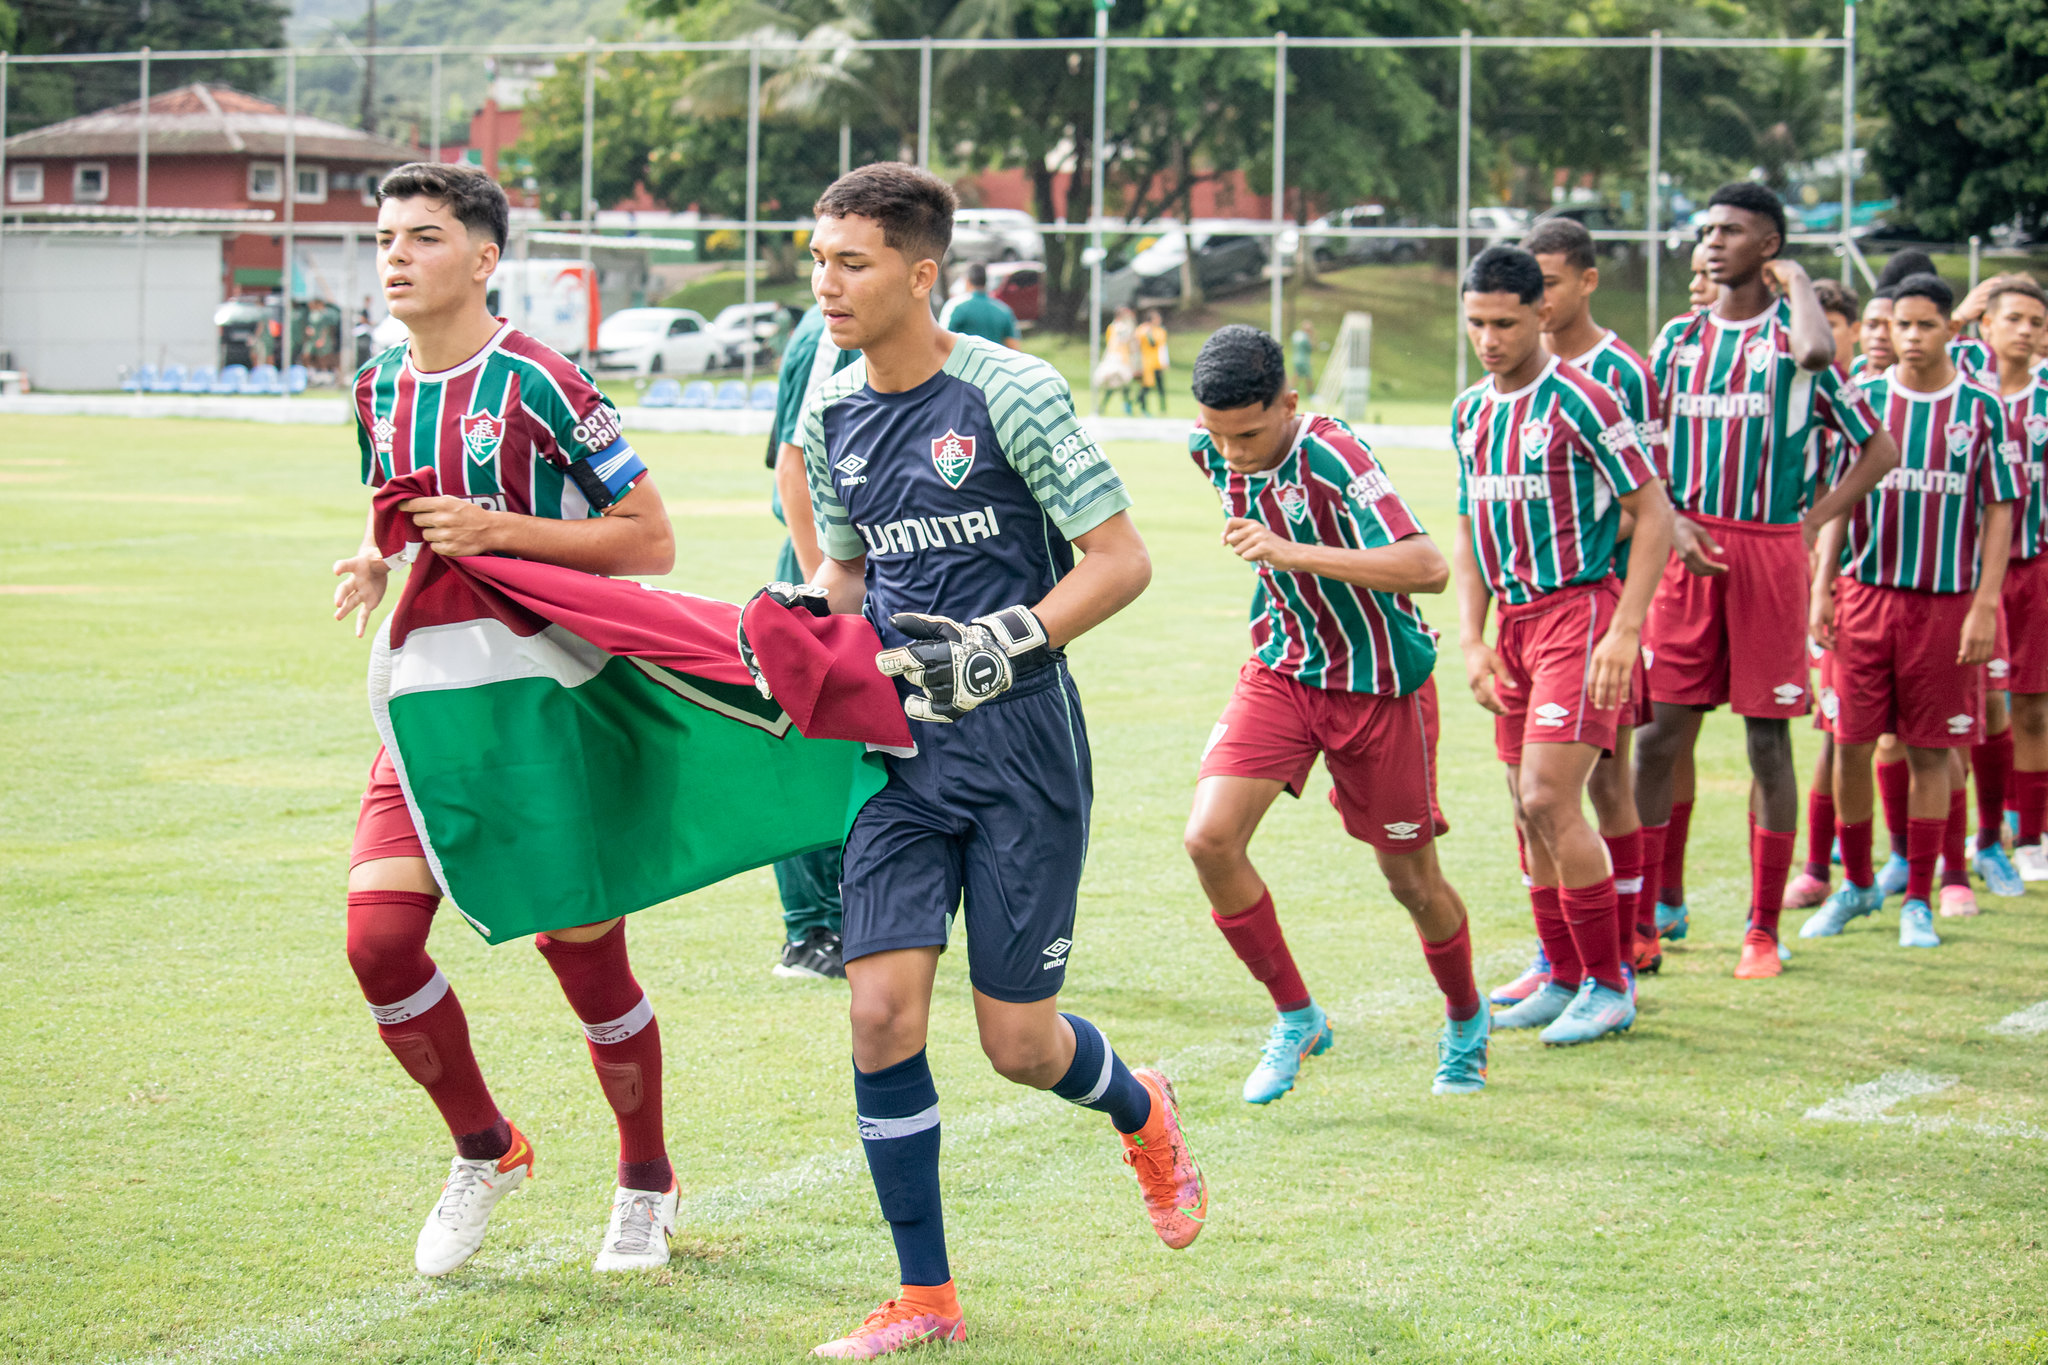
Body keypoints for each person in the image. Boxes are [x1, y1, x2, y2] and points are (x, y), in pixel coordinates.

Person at [763, 163, 1200, 1359]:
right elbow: (847, 573)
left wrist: (1003, 645)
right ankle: (925, 1297)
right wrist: (800, 627)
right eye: (817, 261)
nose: (826, 285)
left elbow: (1118, 560)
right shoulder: (829, 409)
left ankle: (1142, 1106)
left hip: (1019, 750)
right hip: (897, 753)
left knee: (1018, 1046)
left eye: (851, 263)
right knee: (877, 1014)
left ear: (919, 274)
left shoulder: (1010, 390)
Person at [330, 163, 682, 1277]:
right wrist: (376, 558)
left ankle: (645, 1179)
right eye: (385, 238)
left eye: (423, 237)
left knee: (584, 961)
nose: (396, 256)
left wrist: (499, 531)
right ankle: (486, 1148)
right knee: (378, 944)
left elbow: (649, 538)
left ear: (484, 259)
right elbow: (394, 510)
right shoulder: (375, 386)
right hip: (429, 704)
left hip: (548, 707)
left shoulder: (543, 381)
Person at [1180, 325, 1488, 1101]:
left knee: (1411, 881)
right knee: (1210, 840)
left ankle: (1465, 1016)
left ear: (1289, 403)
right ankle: (1298, 1017)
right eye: (1218, 434)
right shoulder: (1207, 448)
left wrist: (1293, 551)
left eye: (1249, 435)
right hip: (1283, 669)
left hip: (1381, 688)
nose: (1232, 453)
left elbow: (1427, 567)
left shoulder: (1334, 454)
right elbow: (1228, 460)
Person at [1632, 182, 1897, 980]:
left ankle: (1761, 929)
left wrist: (1814, 520)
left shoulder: (1794, 343)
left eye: (1732, 230)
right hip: (1687, 549)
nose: (1712, 242)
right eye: (1706, 230)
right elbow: (1641, 447)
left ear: (1769, 247)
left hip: (1770, 554)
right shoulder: (1678, 340)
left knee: (1766, 741)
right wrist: (1673, 520)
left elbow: (1877, 447)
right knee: (1657, 736)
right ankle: (1647, 914)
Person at [1451, 245, 1673, 1044]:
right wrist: (1473, 638)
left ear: (1541, 313)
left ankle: (1611, 983)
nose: (1489, 339)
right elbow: (1471, 529)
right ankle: (1563, 971)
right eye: (1476, 323)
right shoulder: (1469, 412)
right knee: (1524, 803)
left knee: (1550, 795)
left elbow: (1654, 511)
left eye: (1504, 323)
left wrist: (1626, 627)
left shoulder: (1585, 399)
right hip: (1513, 623)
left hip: (1579, 613)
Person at [1801, 273, 2020, 948]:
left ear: (1952, 329)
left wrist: (1985, 604)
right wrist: (1822, 585)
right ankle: (1857, 882)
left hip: (1944, 606)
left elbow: (2000, 509)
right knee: (1849, 744)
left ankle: (1919, 898)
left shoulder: (1980, 408)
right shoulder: (1864, 400)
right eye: (1903, 325)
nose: (1913, 337)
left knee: (1931, 752)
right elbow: (1840, 498)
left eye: (1927, 325)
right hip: (1865, 598)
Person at [1513, 217, 1666, 993]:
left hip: (1597, 605)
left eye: (1549, 284)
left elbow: (1648, 496)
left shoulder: (1620, 376)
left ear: (1586, 281)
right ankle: (1563, 961)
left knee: (1603, 781)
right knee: (1538, 795)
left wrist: (1585, 561)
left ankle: (1631, 940)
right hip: (1531, 614)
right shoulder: (1509, 373)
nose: (1537, 301)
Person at [761, 303, 865, 978]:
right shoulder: (832, 327)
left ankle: (855, 918)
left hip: (866, 569)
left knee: (864, 748)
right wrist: (819, 591)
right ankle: (812, 930)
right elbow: (792, 467)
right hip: (828, 571)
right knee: (810, 750)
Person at [1785, 278, 1867, 910]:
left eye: (1835, 324)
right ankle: (1819, 863)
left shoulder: (1857, 399)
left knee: (1872, 734)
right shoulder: (1790, 391)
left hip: (1863, 580)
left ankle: (1907, 859)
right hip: (1813, 575)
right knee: (1836, 726)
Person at [1975, 277, 2048, 881]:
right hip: (1966, 579)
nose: (2025, 330)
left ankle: (2030, 837)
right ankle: (1981, 832)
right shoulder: (1965, 394)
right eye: (2014, 318)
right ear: (1987, 326)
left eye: (2036, 322)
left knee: (2032, 708)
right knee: (1973, 708)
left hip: (2034, 569)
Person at [937, 262, 1021, 349]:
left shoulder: (955, 307)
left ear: (967, 281)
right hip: (994, 357)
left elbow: (941, 342)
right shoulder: (1003, 309)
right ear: (985, 282)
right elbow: (1014, 347)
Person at [1095, 306, 1141, 413]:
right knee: (1118, 384)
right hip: (1116, 359)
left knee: (1122, 385)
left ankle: (1124, 407)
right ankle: (1104, 407)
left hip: (1118, 358)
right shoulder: (1118, 327)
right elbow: (1125, 339)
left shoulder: (1115, 327)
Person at [1139, 309, 1172, 414]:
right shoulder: (1143, 330)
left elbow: (1162, 347)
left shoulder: (1160, 331)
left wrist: (1165, 361)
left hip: (1157, 363)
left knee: (1161, 386)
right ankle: (1142, 406)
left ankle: (1163, 408)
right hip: (1146, 362)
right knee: (1146, 386)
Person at [1290, 321, 1315, 387]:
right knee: (1308, 376)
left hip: (1296, 358)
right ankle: (1311, 392)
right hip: (1304, 359)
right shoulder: (1306, 337)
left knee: (1296, 374)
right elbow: (1310, 348)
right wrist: (1312, 338)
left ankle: (1291, 389)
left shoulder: (1296, 334)